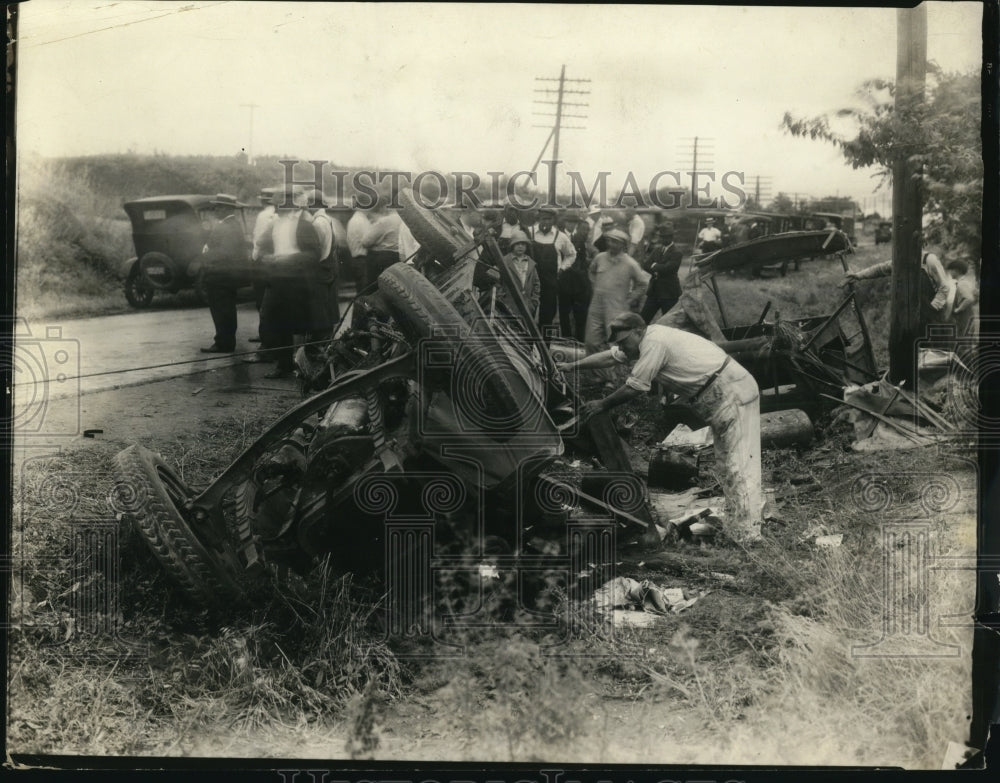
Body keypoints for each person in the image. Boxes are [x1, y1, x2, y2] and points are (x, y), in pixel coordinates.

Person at [557, 311, 763, 544]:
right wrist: (571, 366)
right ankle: (739, 525)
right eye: (619, 344)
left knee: (740, 464)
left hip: (730, 391)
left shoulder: (654, 342)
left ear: (638, 331)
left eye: (624, 342)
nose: (622, 348)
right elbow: (609, 357)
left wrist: (602, 404)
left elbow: (635, 386)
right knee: (726, 464)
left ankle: (749, 535)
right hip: (718, 395)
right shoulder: (641, 341)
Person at [256, 184, 323, 379]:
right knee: (271, 321)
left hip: (296, 281)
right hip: (276, 280)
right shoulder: (275, 225)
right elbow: (263, 247)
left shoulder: (304, 225)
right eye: (276, 204)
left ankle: (299, 367)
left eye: (281, 204)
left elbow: (313, 254)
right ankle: (283, 363)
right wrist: (266, 257)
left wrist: (289, 259)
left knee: (297, 324)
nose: (277, 207)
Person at [584, 227, 650, 384]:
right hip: (596, 306)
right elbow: (591, 271)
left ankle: (613, 379)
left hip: (617, 308)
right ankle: (599, 375)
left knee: (614, 344)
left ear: (623, 245)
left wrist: (629, 300)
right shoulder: (600, 258)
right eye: (609, 240)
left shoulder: (630, 263)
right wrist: (596, 287)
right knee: (591, 341)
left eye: (615, 241)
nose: (611, 244)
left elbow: (642, 284)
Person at [841, 251, 956, 324]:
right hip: (908, 314)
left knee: (930, 352)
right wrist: (857, 275)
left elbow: (945, 287)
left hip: (931, 315)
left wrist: (932, 308)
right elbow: (879, 269)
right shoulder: (900, 260)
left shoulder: (929, 260)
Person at [199, 194, 249, 354]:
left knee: (222, 309)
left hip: (221, 276)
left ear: (227, 208)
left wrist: (206, 256)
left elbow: (225, 252)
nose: (215, 209)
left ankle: (223, 342)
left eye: (219, 206)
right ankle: (225, 341)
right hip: (224, 276)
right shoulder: (231, 225)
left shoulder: (227, 226)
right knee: (224, 309)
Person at [530, 207, 577, 336]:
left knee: (547, 316)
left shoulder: (561, 237)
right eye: (543, 219)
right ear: (539, 219)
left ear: (554, 220)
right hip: (530, 280)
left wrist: (562, 268)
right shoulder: (530, 232)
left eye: (549, 219)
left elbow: (572, 254)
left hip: (550, 282)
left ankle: (544, 349)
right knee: (528, 312)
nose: (546, 222)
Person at [558, 218, 593, 342]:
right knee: (565, 313)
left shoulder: (583, 241)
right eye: (583, 229)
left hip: (579, 284)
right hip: (566, 281)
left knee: (580, 315)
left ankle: (579, 340)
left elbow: (582, 262)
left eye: (587, 230)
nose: (586, 232)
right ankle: (567, 339)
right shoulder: (562, 237)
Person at [640, 224, 683, 324]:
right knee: (642, 320)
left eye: (666, 236)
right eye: (661, 237)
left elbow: (668, 269)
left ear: (672, 237)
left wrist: (655, 266)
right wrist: (657, 269)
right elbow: (646, 265)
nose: (663, 239)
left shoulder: (677, 252)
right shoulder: (657, 250)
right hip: (654, 292)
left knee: (669, 323)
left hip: (669, 293)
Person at [496, 230, 540, 318]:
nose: (520, 246)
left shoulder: (531, 263)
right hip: (508, 306)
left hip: (527, 307)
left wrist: (534, 302)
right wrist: (501, 300)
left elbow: (536, 284)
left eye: (523, 244)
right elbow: (497, 282)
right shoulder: (504, 262)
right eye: (517, 244)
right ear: (512, 245)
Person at [362, 194, 402, 285]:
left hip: (382, 257)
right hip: (398, 257)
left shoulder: (385, 221)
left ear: (384, 207)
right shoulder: (402, 219)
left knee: (374, 285)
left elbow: (366, 242)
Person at [948, 258, 978, 337]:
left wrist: (958, 309)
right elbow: (975, 296)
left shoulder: (962, 284)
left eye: (951, 270)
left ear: (957, 271)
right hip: (968, 317)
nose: (950, 272)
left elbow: (969, 298)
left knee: (963, 342)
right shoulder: (967, 282)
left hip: (965, 318)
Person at [346, 205, 372, 293]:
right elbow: (368, 241)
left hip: (356, 258)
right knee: (364, 291)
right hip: (363, 259)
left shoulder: (354, 219)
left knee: (360, 290)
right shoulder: (362, 221)